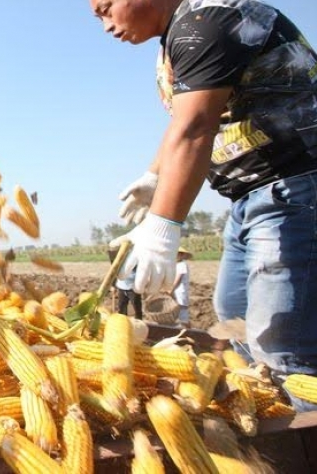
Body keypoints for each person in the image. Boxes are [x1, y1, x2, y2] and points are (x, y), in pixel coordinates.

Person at [94, 0, 317, 412]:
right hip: (251, 196)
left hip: (295, 188)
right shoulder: (178, 35)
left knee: (281, 346)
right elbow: (184, 119)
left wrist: (163, 227)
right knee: (234, 316)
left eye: (106, 8)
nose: (105, 25)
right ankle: (266, 408)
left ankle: (299, 438)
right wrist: (154, 176)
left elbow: (196, 126)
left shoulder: (206, 21)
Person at [172, 247, 193, 327]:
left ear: (181, 255)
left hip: (181, 292)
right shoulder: (176, 265)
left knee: (182, 313)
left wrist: (170, 290)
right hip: (176, 291)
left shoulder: (182, 265)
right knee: (177, 312)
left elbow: (178, 280)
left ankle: (190, 331)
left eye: (178, 254)